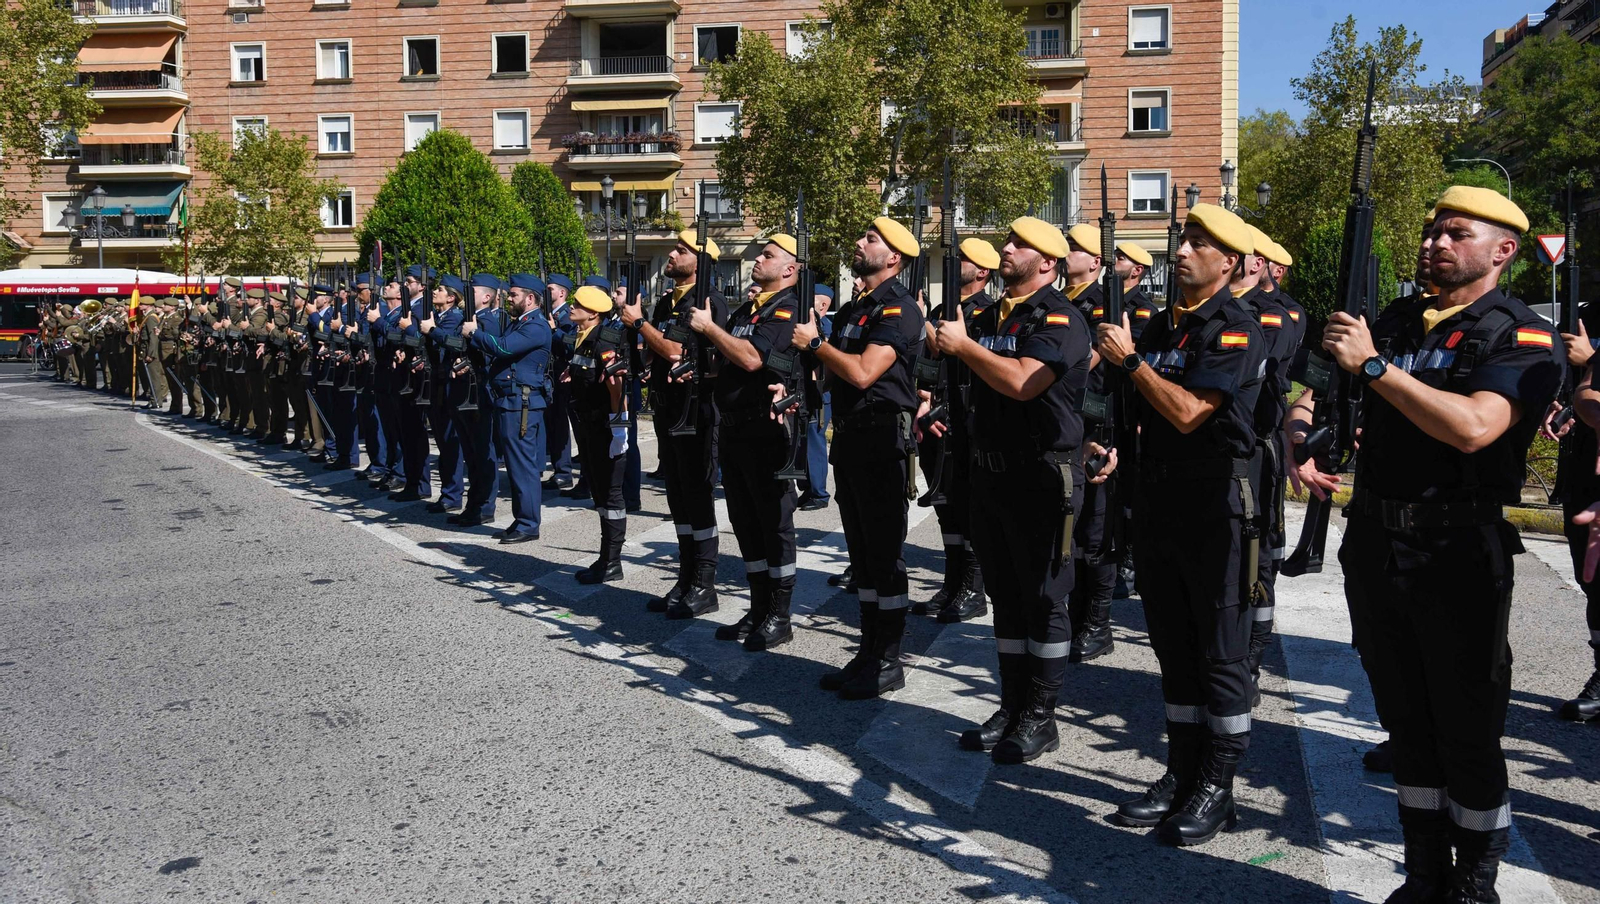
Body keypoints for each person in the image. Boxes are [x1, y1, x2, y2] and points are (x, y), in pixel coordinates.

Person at [1292, 187, 1560, 901]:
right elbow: (1320, 384)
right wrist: (1303, 432)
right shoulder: (1399, 318)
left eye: (1456, 233)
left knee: (1465, 727)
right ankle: (1423, 876)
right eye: (1431, 229)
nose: (1435, 242)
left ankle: (1474, 882)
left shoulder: (1519, 332)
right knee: (1404, 721)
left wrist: (1377, 368)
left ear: (1502, 251)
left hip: (1456, 554)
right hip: (1378, 544)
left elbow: (1475, 426)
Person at [1097, 203, 1266, 846]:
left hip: (1214, 509)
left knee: (1219, 652)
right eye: (1184, 239)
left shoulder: (1234, 328)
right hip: (1161, 504)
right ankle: (1182, 770)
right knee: (1173, 648)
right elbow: (1142, 415)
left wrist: (1133, 364)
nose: (1184, 250)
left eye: (1199, 243)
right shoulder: (1167, 326)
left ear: (1230, 262)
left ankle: (1218, 788)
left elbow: (1194, 411)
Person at [927, 216, 1095, 764]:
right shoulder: (993, 314)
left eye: (1019, 244)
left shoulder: (1060, 317)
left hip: (1042, 475)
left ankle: (1040, 716)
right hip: (990, 474)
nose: (1007, 248)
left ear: (1047, 263)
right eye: (1008, 240)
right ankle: (1012, 702)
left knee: (1044, 598)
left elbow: (1025, 382)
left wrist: (964, 348)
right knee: (1004, 598)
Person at [789, 217, 925, 700]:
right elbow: (832, 375)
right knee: (862, 557)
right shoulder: (854, 308)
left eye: (870, 239)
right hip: (849, 438)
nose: (859, 242)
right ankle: (868, 651)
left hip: (882, 441)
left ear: (893, 258)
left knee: (885, 556)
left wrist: (818, 344)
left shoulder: (899, 310)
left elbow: (866, 373)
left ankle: (888, 660)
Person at [687, 234, 800, 646]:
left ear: (789, 269)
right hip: (733, 427)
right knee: (745, 521)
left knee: (774, 522)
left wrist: (711, 328)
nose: (758, 259)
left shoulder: (788, 309)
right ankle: (757, 609)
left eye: (768, 256)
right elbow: (729, 359)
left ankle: (780, 615)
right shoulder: (748, 309)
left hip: (765, 430)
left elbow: (753, 358)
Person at [617, 229, 727, 619]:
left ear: (700, 263)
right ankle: (685, 577)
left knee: (697, 496)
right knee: (678, 497)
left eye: (681, 250)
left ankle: (705, 583)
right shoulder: (667, 302)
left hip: (696, 414)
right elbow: (658, 353)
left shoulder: (708, 302)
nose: (672, 254)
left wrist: (639, 325)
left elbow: (678, 349)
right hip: (667, 410)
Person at [915, 237, 998, 623]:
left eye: (964, 259)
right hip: (939, 416)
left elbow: (962, 354)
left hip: (966, 419)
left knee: (967, 506)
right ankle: (952, 582)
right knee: (945, 505)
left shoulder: (985, 312)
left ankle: (973, 588)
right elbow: (930, 364)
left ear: (982, 271)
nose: (955, 263)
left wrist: (928, 329)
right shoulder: (940, 308)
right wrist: (925, 398)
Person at [462, 273, 551, 544]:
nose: (508, 298)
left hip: (521, 403)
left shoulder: (535, 326)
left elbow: (502, 348)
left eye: (514, 295)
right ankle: (521, 519)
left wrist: (474, 333)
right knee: (514, 464)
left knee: (522, 465)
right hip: (509, 401)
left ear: (531, 298)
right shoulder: (519, 323)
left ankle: (528, 523)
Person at [565, 284, 631, 582]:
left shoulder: (602, 339)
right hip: (589, 424)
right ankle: (606, 557)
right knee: (600, 493)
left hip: (605, 426)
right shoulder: (583, 338)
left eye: (577, 304)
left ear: (592, 313)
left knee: (610, 494)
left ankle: (612, 561)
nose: (570, 307)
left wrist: (620, 425)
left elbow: (616, 383)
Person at [447, 274, 508, 528]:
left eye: (471, 293)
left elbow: (491, 354)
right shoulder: (467, 320)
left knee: (483, 452)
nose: (466, 297)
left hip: (479, 393)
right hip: (463, 392)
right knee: (471, 453)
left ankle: (484, 506)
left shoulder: (488, 323)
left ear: (486, 297)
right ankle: (474, 503)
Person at [419, 274, 467, 514]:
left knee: (449, 442)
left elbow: (447, 343)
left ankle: (452, 494)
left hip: (447, 386)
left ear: (451, 297)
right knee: (442, 440)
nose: (434, 292)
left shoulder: (453, 318)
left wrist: (431, 330)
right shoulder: (439, 317)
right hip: (435, 384)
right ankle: (449, 492)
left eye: (439, 289)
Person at [390, 265, 436, 502]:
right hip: (404, 373)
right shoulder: (411, 307)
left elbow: (421, 340)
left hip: (417, 377)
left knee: (414, 432)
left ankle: (419, 484)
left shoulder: (423, 308)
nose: (405, 285)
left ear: (422, 284)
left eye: (409, 281)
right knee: (406, 432)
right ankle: (413, 481)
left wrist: (405, 334)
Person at [799, 284, 836, 511]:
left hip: (819, 391)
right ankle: (808, 489)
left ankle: (820, 494)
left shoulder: (826, 327)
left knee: (814, 441)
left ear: (823, 305)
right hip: (806, 390)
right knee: (803, 441)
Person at [544, 273, 579, 492]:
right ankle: (560, 471)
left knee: (568, 424)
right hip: (550, 376)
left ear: (562, 293)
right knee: (555, 425)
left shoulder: (568, 316)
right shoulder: (547, 314)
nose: (546, 294)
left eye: (550, 290)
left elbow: (570, 345)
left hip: (565, 375)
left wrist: (554, 331)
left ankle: (567, 472)